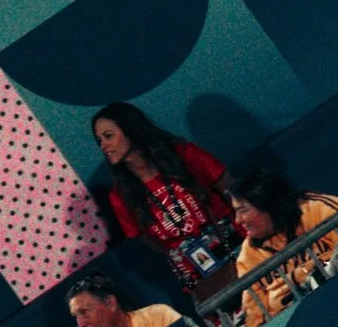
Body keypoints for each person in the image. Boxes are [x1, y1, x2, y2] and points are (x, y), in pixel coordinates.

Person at [93, 101, 239, 290]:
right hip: (200, 277)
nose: (104, 145)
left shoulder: (183, 154)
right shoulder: (120, 195)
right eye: (99, 141)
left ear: (130, 130)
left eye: (108, 136)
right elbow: (149, 241)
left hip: (238, 248)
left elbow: (231, 189)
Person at [231, 170, 338, 327]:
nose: (237, 220)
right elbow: (256, 320)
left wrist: (310, 275)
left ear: (267, 206)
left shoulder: (315, 208)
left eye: (243, 210)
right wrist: (307, 275)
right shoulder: (248, 255)